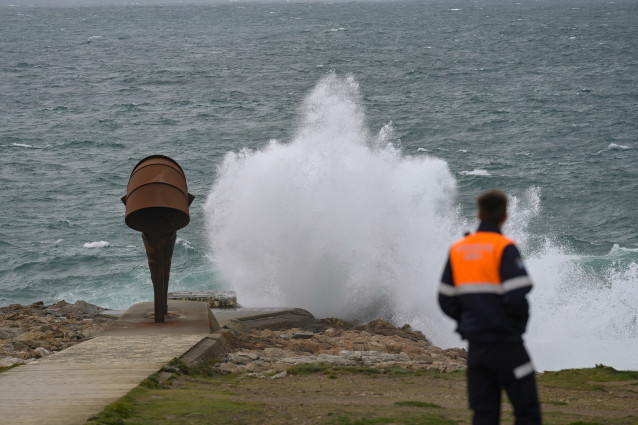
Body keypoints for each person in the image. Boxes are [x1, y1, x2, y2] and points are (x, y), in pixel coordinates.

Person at [438, 189, 541, 425]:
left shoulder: (458, 249)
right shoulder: (504, 247)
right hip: (507, 345)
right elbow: (517, 295)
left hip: (477, 348)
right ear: (504, 217)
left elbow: (445, 299)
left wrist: (467, 322)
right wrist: (515, 327)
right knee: (527, 411)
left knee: (484, 414)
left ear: (478, 215)